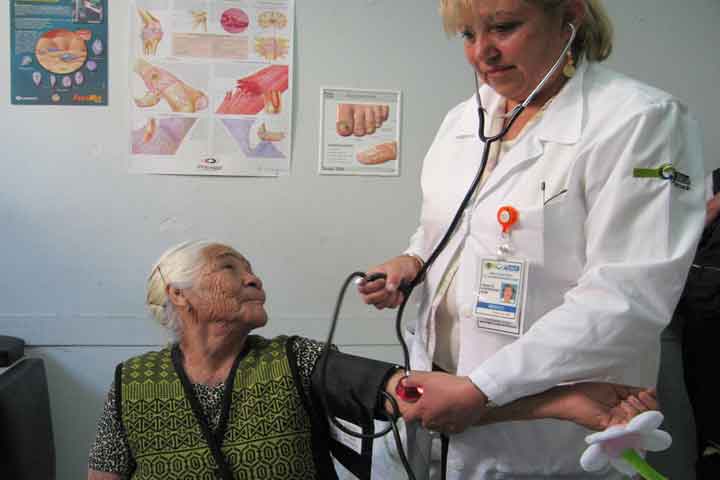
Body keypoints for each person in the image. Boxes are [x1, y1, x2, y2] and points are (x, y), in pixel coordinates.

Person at [358, 0, 704, 478]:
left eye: (503, 27)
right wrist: (414, 258)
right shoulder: (464, 120)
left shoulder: (639, 120)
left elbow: (627, 296)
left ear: (569, 16)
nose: (482, 53)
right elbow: (452, 222)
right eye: (468, 34)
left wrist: (484, 387)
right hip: (435, 392)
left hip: (544, 438)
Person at [88, 240, 658, 480]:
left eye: (251, 267)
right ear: (180, 295)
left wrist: (562, 402)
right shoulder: (131, 382)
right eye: (229, 268)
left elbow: (424, 401)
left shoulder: (296, 361)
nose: (253, 277)